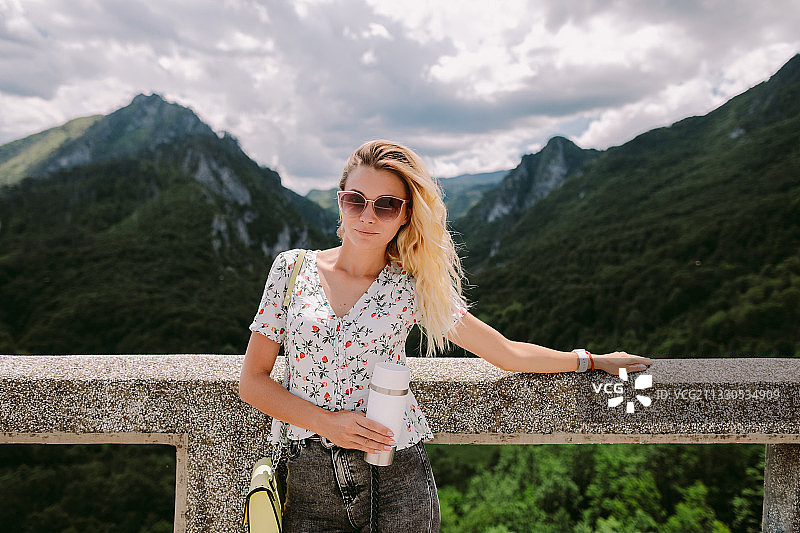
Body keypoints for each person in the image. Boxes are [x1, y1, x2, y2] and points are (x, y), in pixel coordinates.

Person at [239, 140, 653, 532]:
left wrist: (592, 360)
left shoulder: (411, 286)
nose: (368, 216)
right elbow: (253, 381)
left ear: (404, 216)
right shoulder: (292, 270)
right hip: (308, 485)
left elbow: (505, 352)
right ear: (340, 200)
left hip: (396, 475)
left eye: (386, 206)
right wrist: (327, 423)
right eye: (356, 201)